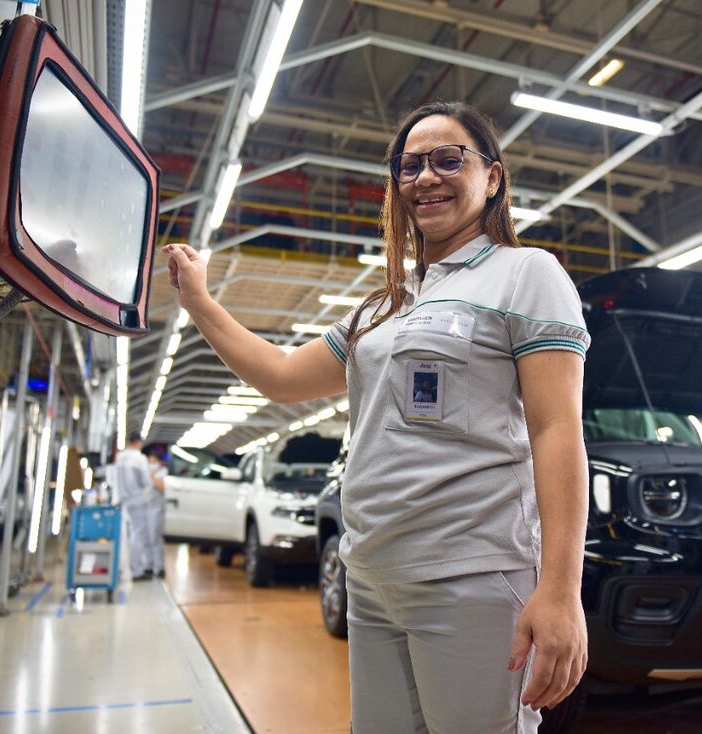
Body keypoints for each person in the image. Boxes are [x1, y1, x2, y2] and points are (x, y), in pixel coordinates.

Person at [164, 100, 590, 733]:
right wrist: (199, 302)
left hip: (469, 573)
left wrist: (560, 589)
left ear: (493, 177)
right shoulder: (384, 304)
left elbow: (556, 430)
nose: (426, 177)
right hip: (370, 577)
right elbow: (282, 377)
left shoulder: (526, 275)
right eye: (410, 165)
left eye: (449, 159)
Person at [113, 432, 154, 581]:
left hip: (123, 500)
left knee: (123, 535)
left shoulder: (120, 457)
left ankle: (118, 568)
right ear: (138, 443)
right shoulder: (140, 458)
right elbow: (145, 481)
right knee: (138, 535)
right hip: (138, 500)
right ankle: (137, 570)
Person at [144, 445, 168, 579]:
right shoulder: (146, 472)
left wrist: (153, 477)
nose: (151, 464)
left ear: (159, 462)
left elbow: (163, 488)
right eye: (150, 461)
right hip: (145, 508)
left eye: (153, 461)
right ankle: (148, 565)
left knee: (155, 538)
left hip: (156, 509)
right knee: (146, 538)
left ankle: (160, 567)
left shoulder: (162, 472)